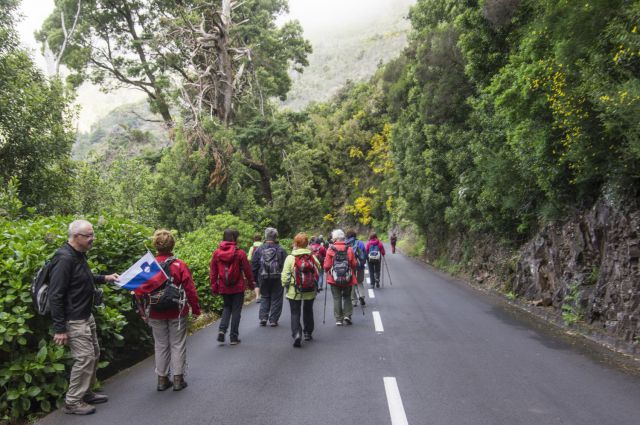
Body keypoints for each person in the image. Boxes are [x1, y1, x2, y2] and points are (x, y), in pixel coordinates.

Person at [49, 219, 120, 415]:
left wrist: (105, 278)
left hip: (85, 315)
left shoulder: (78, 255)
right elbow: (55, 295)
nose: (92, 239)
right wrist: (60, 328)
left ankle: (85, 393)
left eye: (92, 234)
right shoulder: (64, 259)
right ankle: (72, 402)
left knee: (94, 355)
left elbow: (84, 278)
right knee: (84, 358)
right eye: (88, 236)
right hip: (74, 319)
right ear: (75, 237)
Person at [139, 229, 201, 392]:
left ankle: (161, 380)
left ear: (156, 245)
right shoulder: (179, 265)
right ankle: (178, 380)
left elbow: (139, 292)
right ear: (172, 245)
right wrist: (195, 309)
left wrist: (142, 313)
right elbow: (190, 289)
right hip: (177, 311)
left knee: (160, 345)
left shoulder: (148, 267)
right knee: (177, 344)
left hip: (155, 312)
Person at [210, 228, 255, 345]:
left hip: (224, 286)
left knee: (226, 307)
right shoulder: (240, 253)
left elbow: (213, 272)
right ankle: (233, 337)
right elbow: (247, 270)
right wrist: (251, 284)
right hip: (238, 286)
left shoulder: (217, 253)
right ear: (234, 238)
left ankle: (222, 330)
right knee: (236, 311)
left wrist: (214, 286)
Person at [282, 233, 320, 347]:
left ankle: (297, 334)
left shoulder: (290, 257)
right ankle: (308, 333)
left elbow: (285, 275)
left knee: (295, 312)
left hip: (294, 290)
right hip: (309, 289)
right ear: (307, 244)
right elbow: (319, 267)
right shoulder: (312, 256)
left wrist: (286, 286)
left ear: (295, 244)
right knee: (308, 310)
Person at [251, 227, 287, 327]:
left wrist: (254, 279)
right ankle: (273, 320)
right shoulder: (281, 249)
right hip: (277, 277)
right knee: (276, 298)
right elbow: (286, 265)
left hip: (262, 277)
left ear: (266, 236)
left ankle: (263, 317)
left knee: (265, 296)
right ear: (276, 237)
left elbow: (254, 265)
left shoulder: (259, 249)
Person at [323, 229, 357, 326]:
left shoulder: (330, 249)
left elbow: (326, 266)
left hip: (334, 278)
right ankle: (347, 315)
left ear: (335, 238)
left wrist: (327, 272)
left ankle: (338, 319)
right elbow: (354, 264)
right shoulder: (349, 249)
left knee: (337, 298)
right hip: (347, 278)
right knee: (347, 296)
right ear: (343, 238)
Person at [346, 229, 367, 307]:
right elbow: (364, 254)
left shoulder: (346, 244)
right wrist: (363, 263)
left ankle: (354, 301)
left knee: (352, 283)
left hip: (351, 266)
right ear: (355, 235)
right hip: (360, 266)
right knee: (359, 282)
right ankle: (361, 296)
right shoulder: (360, 243)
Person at [247, 233, 263, 303]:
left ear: (254, 239)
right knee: (263, 280)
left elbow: (249, 258)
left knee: (256, 281)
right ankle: (263, 295)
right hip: (263, 266)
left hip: (254, 267)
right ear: (261, 239)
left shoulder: (252, 248)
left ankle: (257, 296)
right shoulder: (263, 246)